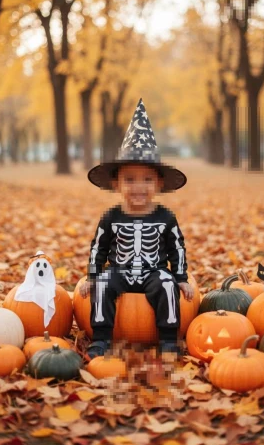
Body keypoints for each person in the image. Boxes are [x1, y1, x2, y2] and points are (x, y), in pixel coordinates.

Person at [80, 98, 194, 359]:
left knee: (167, 285)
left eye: (147, 180)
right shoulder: (111, 217)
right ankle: (101, 339)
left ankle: (167, 339)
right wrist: (92, 275)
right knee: (103, 284)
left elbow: (177, 247)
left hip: (154, 271)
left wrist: (182, 278)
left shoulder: (166, 217)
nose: (138, 187)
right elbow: (98, 247)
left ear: (159, 183)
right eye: (129, 179)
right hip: (119, 270)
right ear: (116, 183)